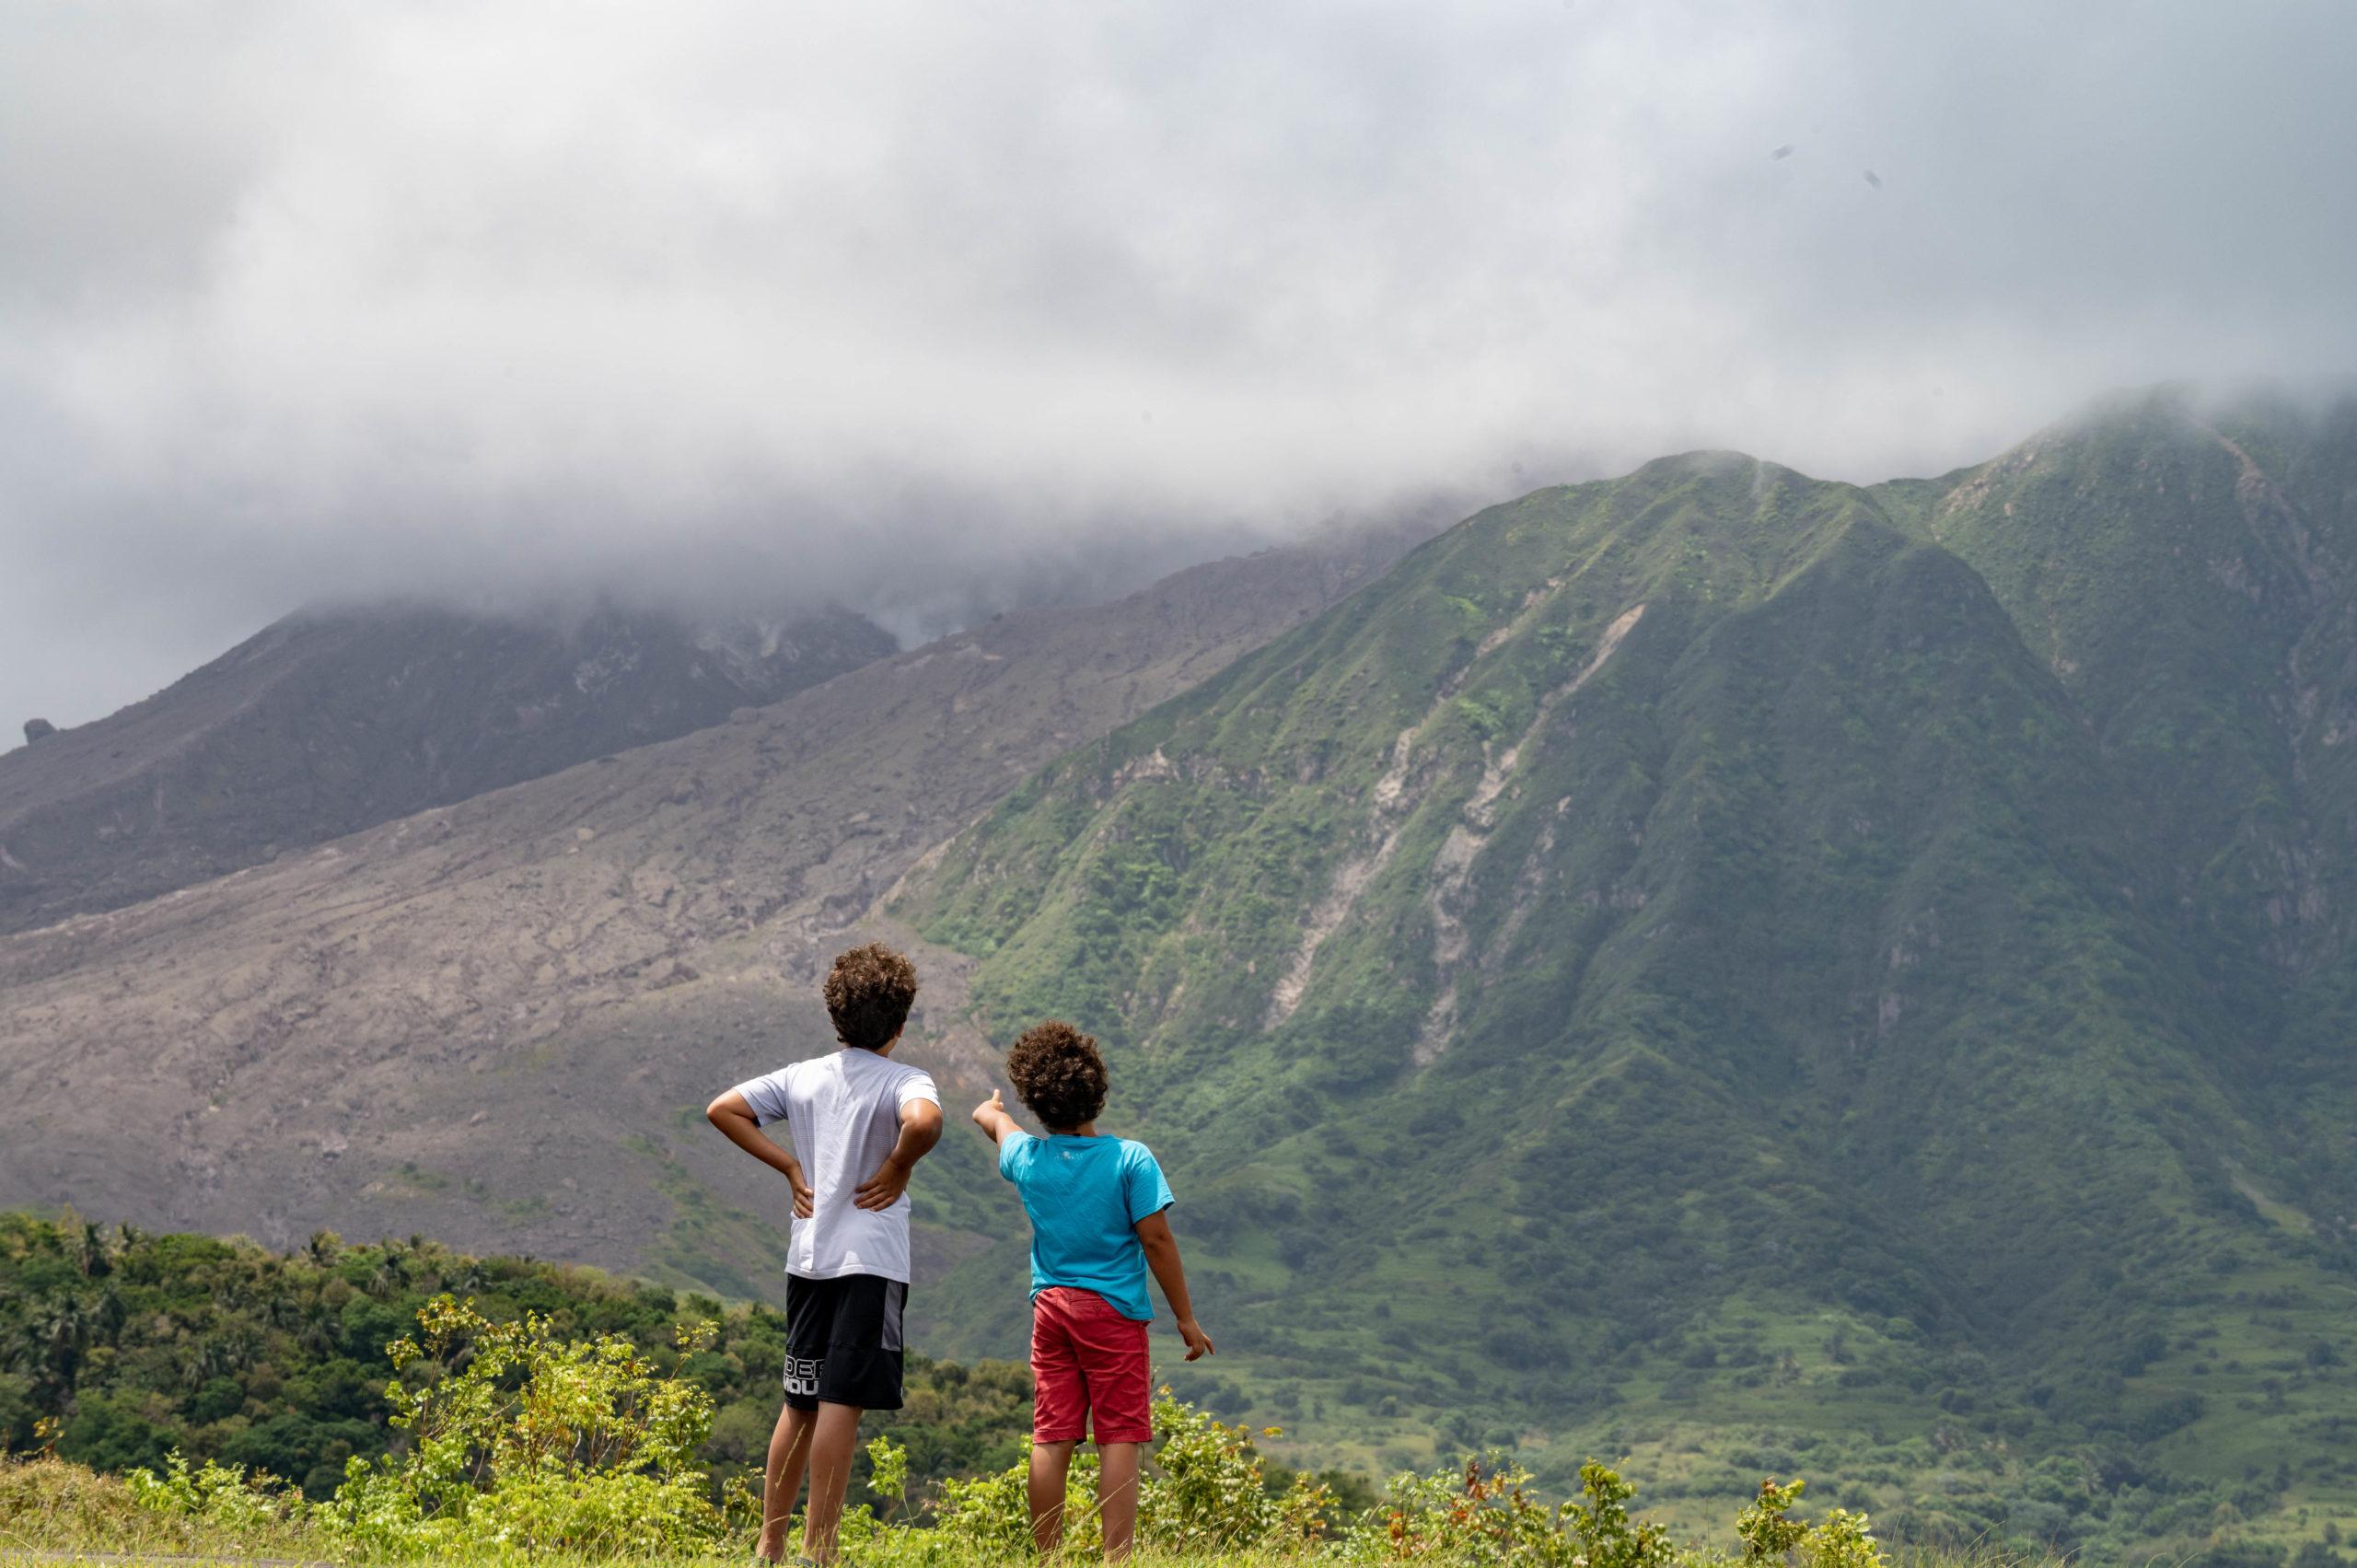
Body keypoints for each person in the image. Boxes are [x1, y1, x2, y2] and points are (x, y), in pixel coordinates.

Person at [707, 942, 945, 1565]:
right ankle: (823, 1549)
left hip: (808, 1259)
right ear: (897, 1026)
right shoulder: (906, 1079)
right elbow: (923, 1123)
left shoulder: (803, 1075)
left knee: (800, 1399)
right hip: (870, 1263)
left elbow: (724, 1108)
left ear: (836, 1016)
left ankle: (771, 1542)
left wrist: (789, 1164)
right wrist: (898, 1165)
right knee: (842, 1403)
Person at [970, 1019, 1214, 1562]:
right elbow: (1155, 1238)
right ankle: (1116, 1558)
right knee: (1119, 1434)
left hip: (1051, 1310)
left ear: (1038, 1103)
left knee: (1051, 1433)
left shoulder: (1029, 1159)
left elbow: (994, 1124)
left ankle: (1048, 1555)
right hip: (1113, 1314)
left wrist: (993, 1109)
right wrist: (1185, 1317)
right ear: (1096, 1091)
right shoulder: (1131, 1160)